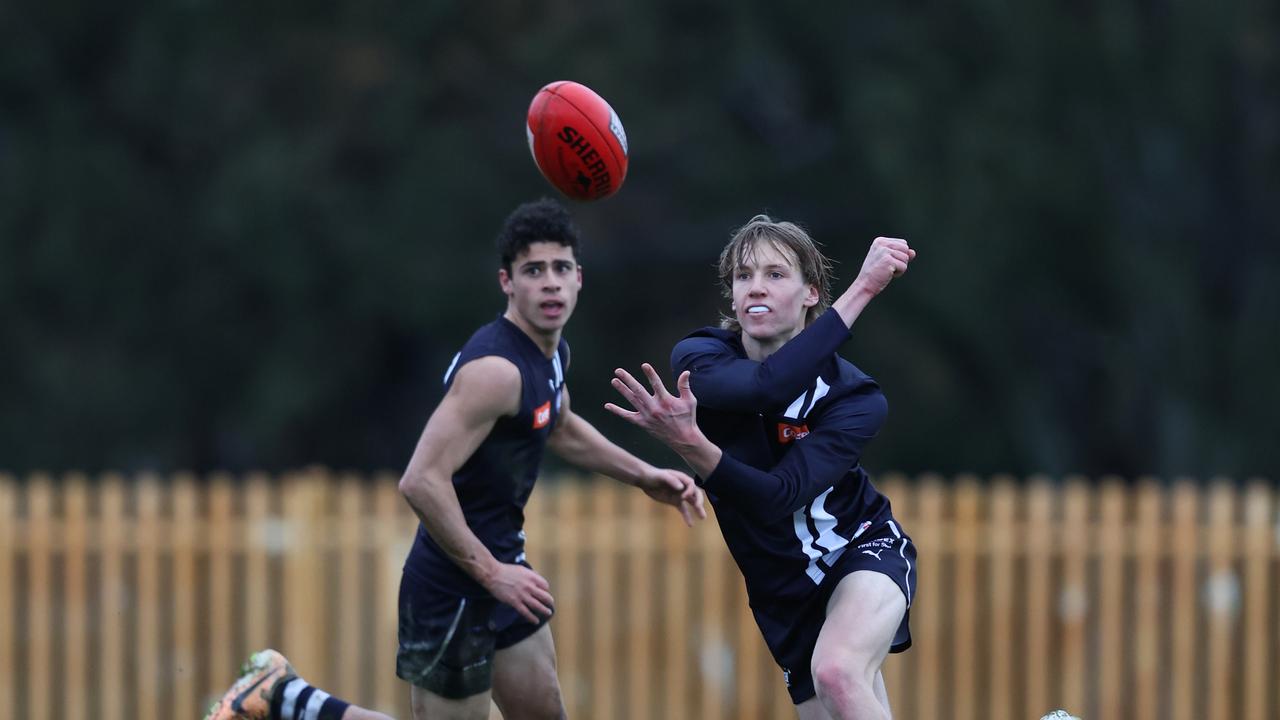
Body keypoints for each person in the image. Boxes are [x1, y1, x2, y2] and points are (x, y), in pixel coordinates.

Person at [206, 198, 706, 720]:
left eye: (561, 269)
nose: (551, 283)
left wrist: (644, 474)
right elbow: (420, 481)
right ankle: (286, 698)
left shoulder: (551, 353)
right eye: (533, 271)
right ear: (507, 282)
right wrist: (491, 573)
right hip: (452, 586)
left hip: (505, 570)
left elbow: (557, 424)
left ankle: (286, 697)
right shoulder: (496, 371)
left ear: (579, 277)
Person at [604, 215, 917, 720]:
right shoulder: (699, 358)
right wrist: (688, 443)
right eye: (744, 276)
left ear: (811, 293)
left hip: (860, 550)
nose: (756, 288)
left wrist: (863, 287)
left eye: (776, 275)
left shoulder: (856, 397)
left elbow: (778, 496)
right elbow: (762, 389)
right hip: (782, 591)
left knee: (838, 673)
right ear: (731, 296)